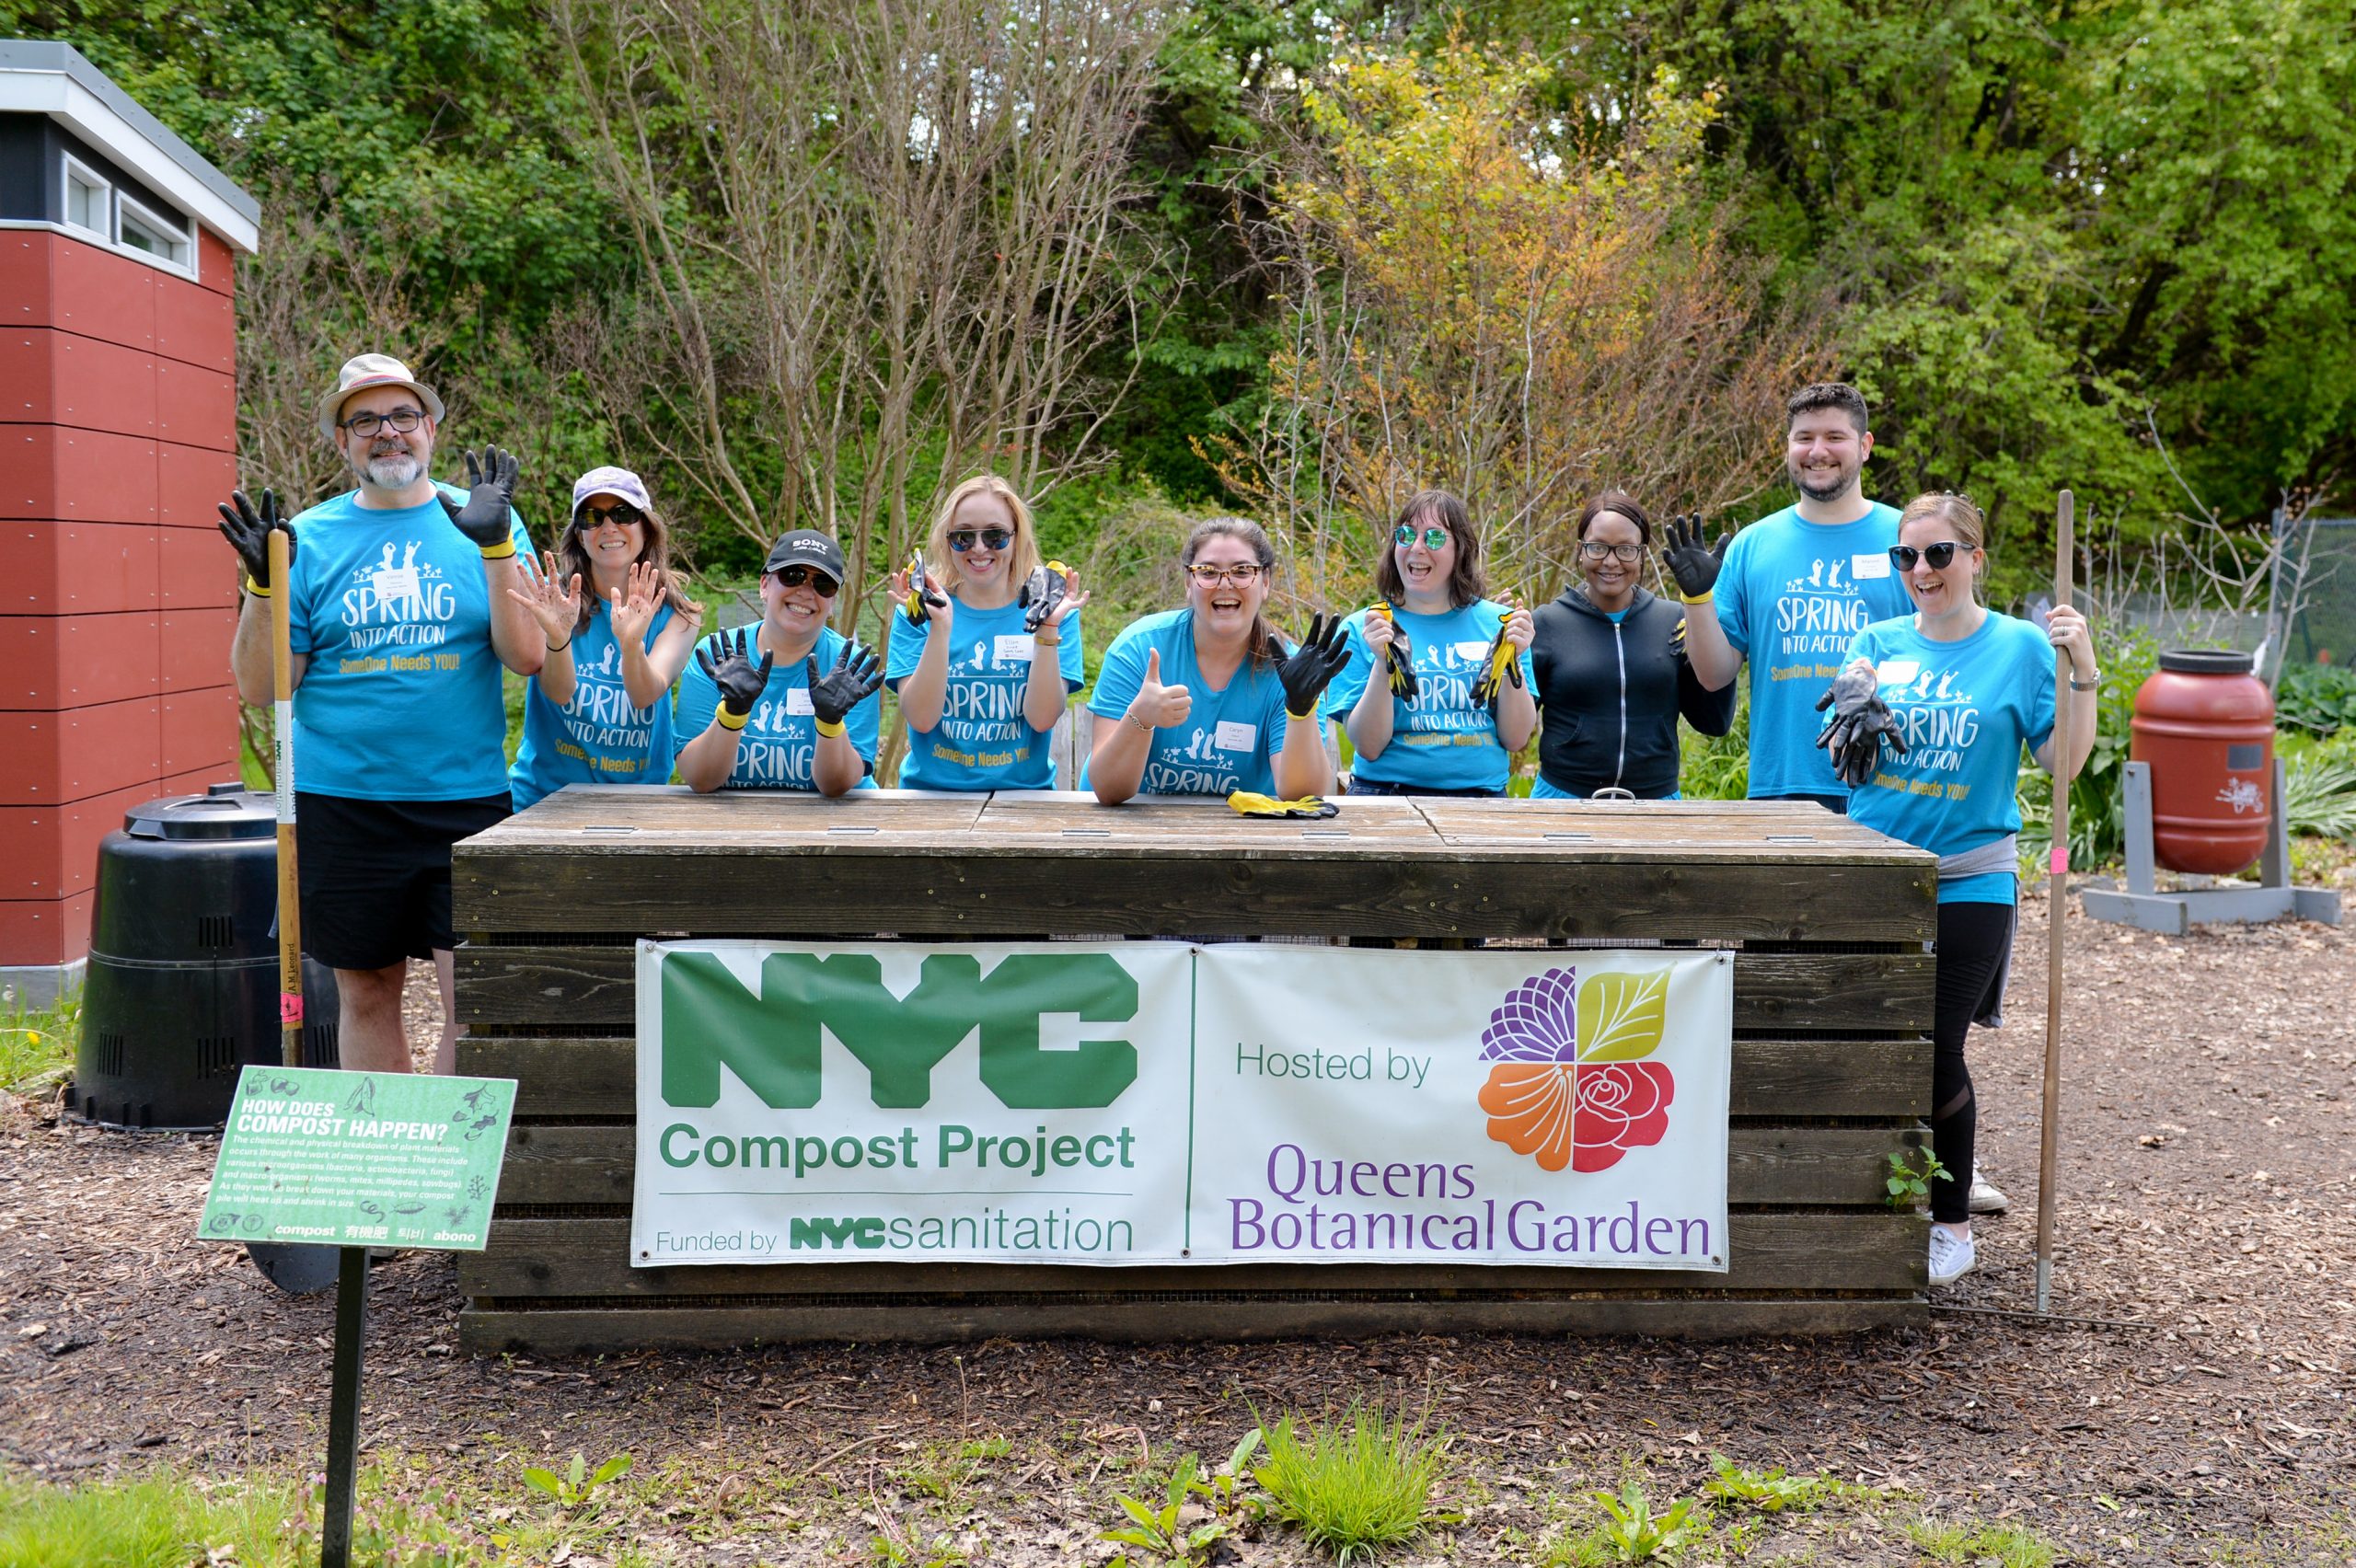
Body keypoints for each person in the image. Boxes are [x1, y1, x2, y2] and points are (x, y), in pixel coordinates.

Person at [219, 352, 539, 1076]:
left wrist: (494, 546)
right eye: (364, 420)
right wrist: (263, 585)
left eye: (402, 416)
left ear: (429, 427)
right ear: (342, 441)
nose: (386, 433)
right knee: (366, 994)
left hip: (464, 800)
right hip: (343, 803)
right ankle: (386, 1168)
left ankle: (449, 1168)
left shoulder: (483, 518)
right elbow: (261, 684)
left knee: (473, 999)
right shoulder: (307, 537)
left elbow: (524, 656)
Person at [1831, 491, 2096, 1285]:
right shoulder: (1876, 641)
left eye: (1939, 555)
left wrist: (2082, 669)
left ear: (1976, 559)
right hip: (1878, 877)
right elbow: (1850, 754)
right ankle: (1864, 1198)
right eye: (1906, 557)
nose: (1921, 571)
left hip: (1972, 879)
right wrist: (1852, 704)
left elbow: (2064, 765)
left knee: (1937, 1047)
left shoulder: (2021, 647)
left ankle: (1951, 1226)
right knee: (1871, 1047)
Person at [1682, 383, 1913, 809]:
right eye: (1804, 438)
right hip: (1782, 784)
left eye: (1834, 437)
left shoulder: (1907, 540)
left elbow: (1947, 646)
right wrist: (1696, 598)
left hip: (1891, 782)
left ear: (1865, 446)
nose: (1817, 450)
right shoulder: (1752, 545)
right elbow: (1714, 675)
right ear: (1788, 446)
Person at [1086, 517, 1348, 805]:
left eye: (1242, 571)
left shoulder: (1292, 671)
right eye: (1208, 572)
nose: (1225, 584)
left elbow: (1303, 796)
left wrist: (1301, 707)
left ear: (1265, 582)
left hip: (1242, 837)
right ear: (1189, 582)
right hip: (1127, 833)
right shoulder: (1138, 648)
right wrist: (1140, 718)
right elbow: (1109, 791)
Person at [505, 467, 702, 811]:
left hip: (638, 800)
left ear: (646, 527)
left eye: (622, 514)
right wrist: (557, 636)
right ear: (580, 535)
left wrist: (630, 646)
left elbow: (645, 694)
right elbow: (559, 692)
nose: (608, 527)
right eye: (592, 517)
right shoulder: (554, 602)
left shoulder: (679, 614)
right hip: (547, 799)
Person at [1325, 490, 1535, 797]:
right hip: (1386, 796)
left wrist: (1509, 660)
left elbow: (1516, 739)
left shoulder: (1502, 625)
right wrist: (1384, 665)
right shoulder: (1363, 628)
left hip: (1482, 801)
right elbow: (1368, 747)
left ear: (1461, 550)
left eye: (1434, 538)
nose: (1417, 547)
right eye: (1406, 535)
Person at [1526, 493, 1736, 798]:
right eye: (1597, 548)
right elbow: (1512, 730)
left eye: (1626, 549)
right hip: (1563, 799)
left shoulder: (1676, 621)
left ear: (1642, 555)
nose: (1611, 562)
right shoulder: (1545, 624)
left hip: (1656, 803)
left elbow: (1714, 722)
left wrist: (1706, 610)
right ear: (1580, 551)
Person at [885, 475, 1086, 790]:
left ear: (1017, 538)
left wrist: (1047, 629)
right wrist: (941, 627)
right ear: (946, 540)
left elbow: (1043, 718)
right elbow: (921, 719)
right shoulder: (919, 611)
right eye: (963, 537)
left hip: (1024, 797)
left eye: (995, 536)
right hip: (931, 796)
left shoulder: (1050, 610)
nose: (979, 548)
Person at [674, 530, 884, 795]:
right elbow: (700, 779)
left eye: (823, 584)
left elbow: (837, 786)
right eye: (792, 576)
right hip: (735, 823)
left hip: (831, 822)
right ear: (764, 585)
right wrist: (732, 712)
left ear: (832, 603)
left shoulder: (851, 669)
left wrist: (830, 723)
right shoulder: (717, 658)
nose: (806, 592)